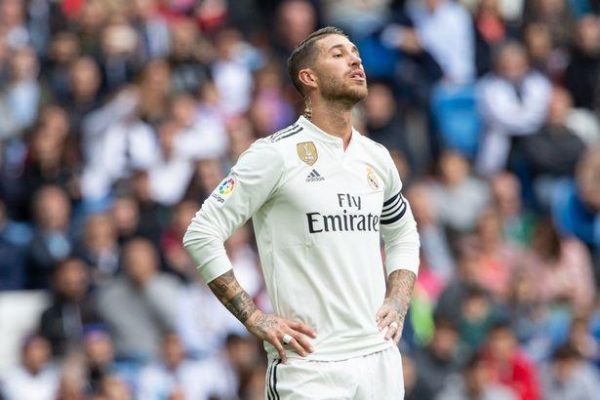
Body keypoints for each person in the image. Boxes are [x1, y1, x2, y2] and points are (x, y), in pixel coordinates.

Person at [184, 26, 420, 399]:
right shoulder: (274, 155)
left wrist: (398, 299)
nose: (355, 60)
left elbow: (403, 232)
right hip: (310, 365)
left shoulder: (377, 157)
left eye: (355, 53)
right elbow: (201, 232)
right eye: (338, 54)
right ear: (309, 78)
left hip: (379, 361)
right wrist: (254, 317)